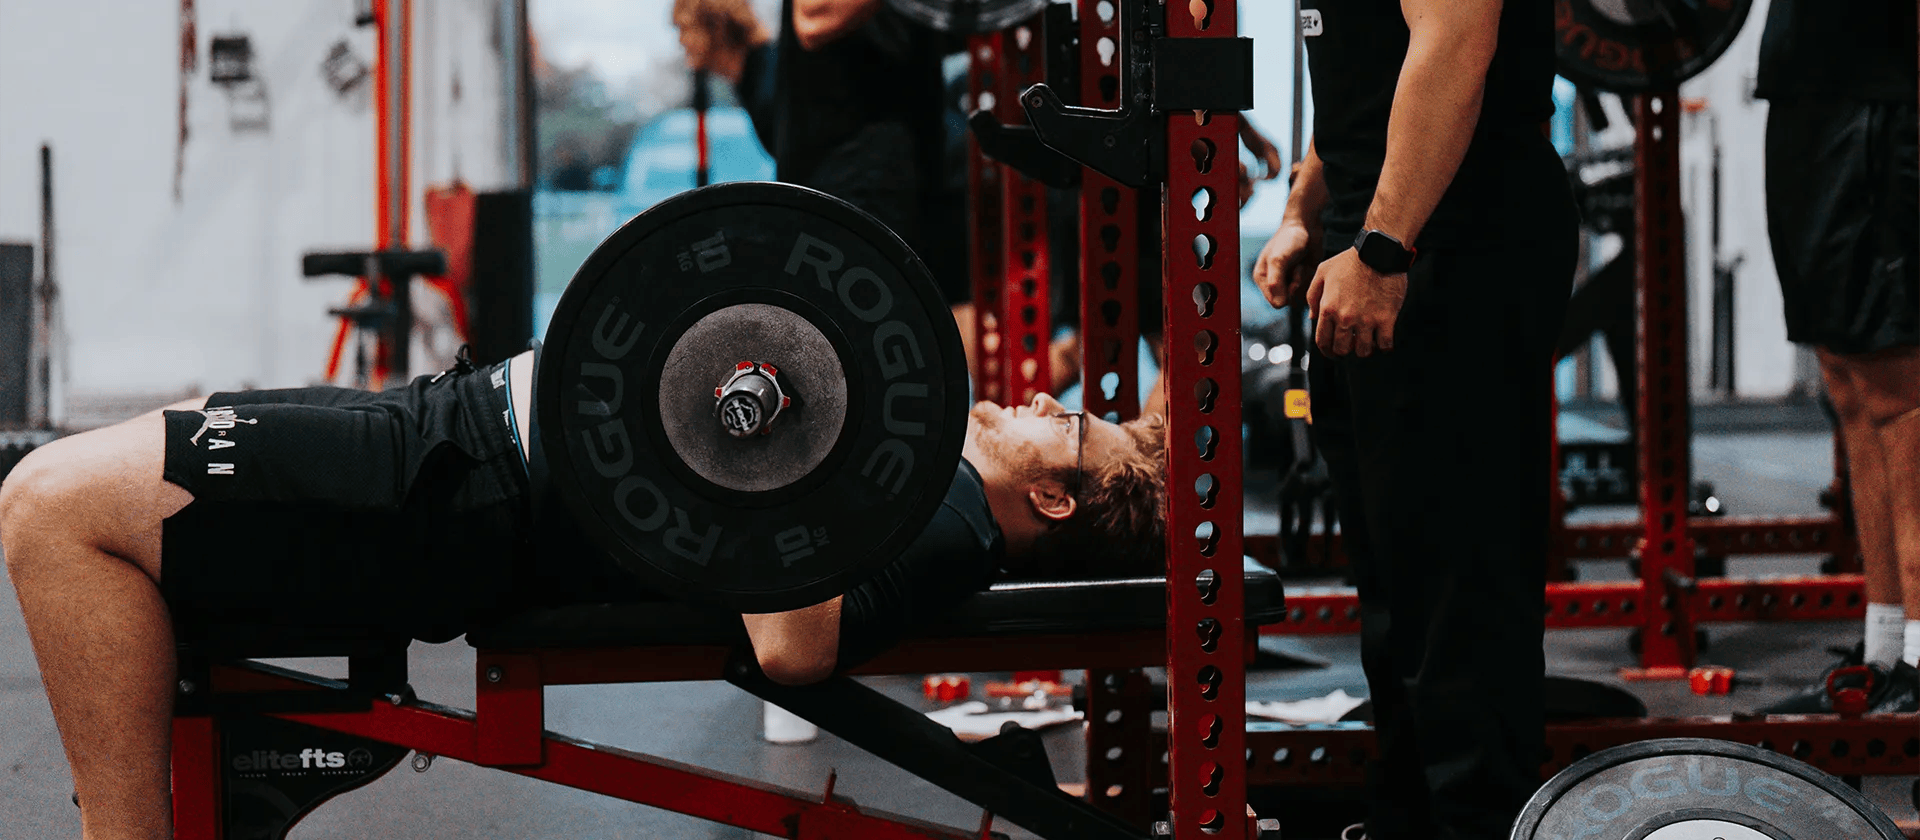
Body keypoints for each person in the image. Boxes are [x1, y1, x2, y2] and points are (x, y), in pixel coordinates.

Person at [0, 346, 1167, 839]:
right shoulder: (923, 476)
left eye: (1067, 421)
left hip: (455, 490)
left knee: (52, 506)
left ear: (1057, 501)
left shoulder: (950, 519)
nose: (1038, 399)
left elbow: (796, 644)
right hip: (454, 424)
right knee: (95, 488)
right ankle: (254, 755)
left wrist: (768, 452)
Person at [1251, 2, 1576, 838]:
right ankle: (1410, 820)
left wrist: (1385, 247)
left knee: (1458, 593)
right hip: (1373, 241)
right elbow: (1362, 80)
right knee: (1395, 590)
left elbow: (1456, 45)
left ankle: (1478, 823)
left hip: (1452, 246)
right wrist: (1306, 212)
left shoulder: (1402, 248)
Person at [1753, 0, 1920, 713]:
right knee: (1848, 384)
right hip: (1808, 95)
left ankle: (1919, 657)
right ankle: (1885, 650)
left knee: (1900, 390)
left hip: (1885, 103)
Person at [673, 0, 977, 366]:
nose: (681, 43)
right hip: (852, 200)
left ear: (705, 28)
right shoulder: (763, 74)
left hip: (877, 195)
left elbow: (815, 17)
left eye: (681, 31)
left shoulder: (767, 70)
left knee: (890, 346)